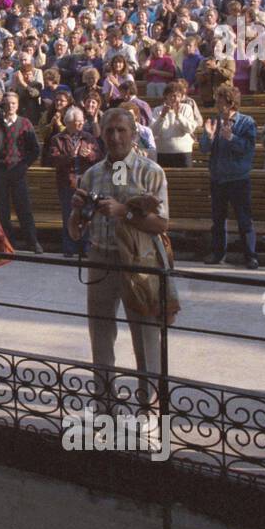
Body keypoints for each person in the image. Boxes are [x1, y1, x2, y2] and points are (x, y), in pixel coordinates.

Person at [68, 108, 169, 414]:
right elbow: (74, 234)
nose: (115, 137)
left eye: (121, 130)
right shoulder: (92, 174)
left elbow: (162, 224)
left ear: (134, 133)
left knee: (146, 334)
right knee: (100, 333)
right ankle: (104, 402)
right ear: (101, 134)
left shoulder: (151, 172)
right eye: (109, 131)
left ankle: (149, 407)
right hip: (101, 256)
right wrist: (76, 211)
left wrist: (124, 212)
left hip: (139, 261)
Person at [199, 84, 259, 269]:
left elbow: (248, 148)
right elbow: (203, 149)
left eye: (220, 100)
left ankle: (250, 255)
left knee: (244, 219)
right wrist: (208, 137)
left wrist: (231, 138)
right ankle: (218, 254)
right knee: (218, 219)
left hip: (239, 179)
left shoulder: (246, 122)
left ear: (230, 103)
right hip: (218, 179)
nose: (217, 103)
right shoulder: (214, 121)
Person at [0, 91, 43, 253]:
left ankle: (32, 241)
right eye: (7, 104)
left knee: (24, 208)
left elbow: (35, 150)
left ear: (18, 106)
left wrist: (24, 165)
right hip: (0, 171)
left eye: (13, 104)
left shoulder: (24, 123)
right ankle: (8, 243)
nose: (10, 107)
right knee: (3, 210)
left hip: (18, 170)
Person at [45, 105, 103, 256]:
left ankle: (85, 248)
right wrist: (72, 155)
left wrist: (89, 154)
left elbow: (99, 157)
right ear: (68, 122)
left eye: (82, 121)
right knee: (69, 215)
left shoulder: (88, 137)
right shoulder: (58, 139)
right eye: (77, 121)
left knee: (86, 215)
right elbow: (54, 159)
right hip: (66, 182)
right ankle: (69, 248)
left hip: (86, 183)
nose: (80, 124)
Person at [150, 80, 202, 168]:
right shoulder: (157, 110)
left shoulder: (186, 108)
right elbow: (153, 132)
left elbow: (190, 129)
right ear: (166, 96)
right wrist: (162, 116)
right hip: (163, 151)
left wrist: (178, 115)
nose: (175, 99)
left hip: (183, 152)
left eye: (178, 96)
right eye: (172, 96)